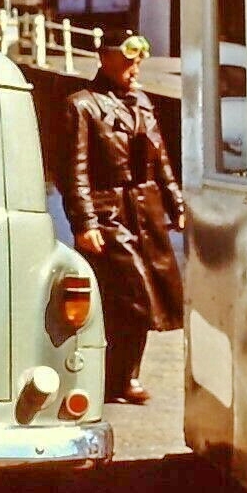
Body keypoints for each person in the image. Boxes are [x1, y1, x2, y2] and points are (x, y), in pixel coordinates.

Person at [64, 29, 186, 405]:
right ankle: (114, 376)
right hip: (108, 212)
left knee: (147, 299)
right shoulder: (82, 105)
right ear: (105, 59)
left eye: (138, 61)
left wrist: (177, 204)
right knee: (133, 296)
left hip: (145, 210)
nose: (135, 68)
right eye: (128, 60)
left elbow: (161, 158)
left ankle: (124, 376)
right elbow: (75, 171)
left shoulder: (142, 103)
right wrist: (85, 223)